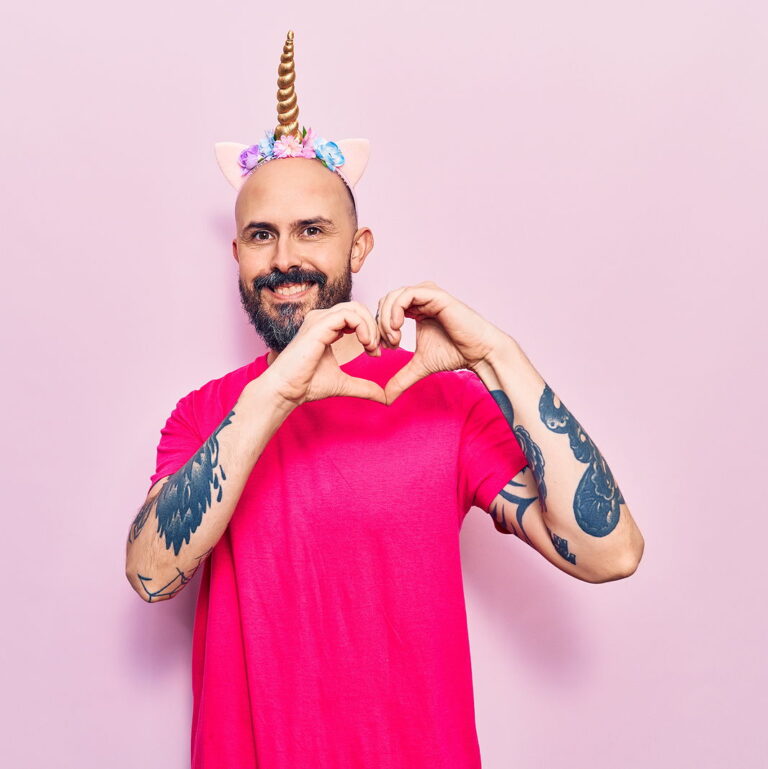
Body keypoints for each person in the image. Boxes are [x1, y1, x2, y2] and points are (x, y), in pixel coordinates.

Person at [125, 30, 645, 769]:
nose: (285, 259)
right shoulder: (207, 414)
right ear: (237, 254)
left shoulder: (442, 403)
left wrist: (499, 355)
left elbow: (611, 551)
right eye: (261, 235)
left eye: (313, 230)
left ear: (358, 249)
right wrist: (277, 392)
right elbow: (150, 573)